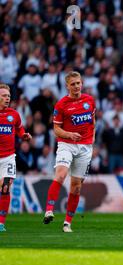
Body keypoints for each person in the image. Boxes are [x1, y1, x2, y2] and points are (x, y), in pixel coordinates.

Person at [43, 72, 96, 233]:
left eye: (78, 83)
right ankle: (49, 210)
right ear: (67, 86)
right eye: (73, 84)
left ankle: (67, 223)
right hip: (66, 144)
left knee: (76, 187)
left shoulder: (89, 100)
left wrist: (92, 138)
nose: (76, 86)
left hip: (85, 147)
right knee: (61, 174)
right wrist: (69, 135)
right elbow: (56, 129)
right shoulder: (61, 105)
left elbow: (93, 121)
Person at [0, 84, 32, 232]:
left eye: (8, 96)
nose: (7, 99)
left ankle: (1, 223)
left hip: (8, 157)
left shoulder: (14, 114)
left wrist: (23, 135)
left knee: (5, 188)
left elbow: (19, 128)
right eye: (4, 96)